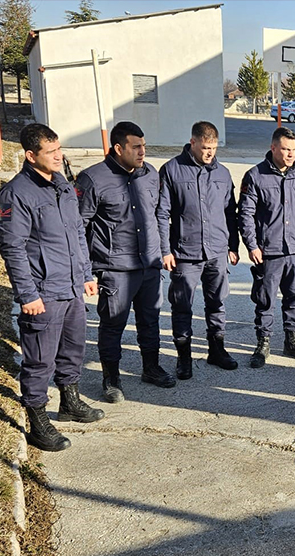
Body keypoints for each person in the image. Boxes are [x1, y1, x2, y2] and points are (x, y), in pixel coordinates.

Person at [0, 123, 104, 452]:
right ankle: (37, 420)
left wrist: (86, 273)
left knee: (73, 350)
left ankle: (70, 402)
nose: (59, 157)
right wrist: (28, 295)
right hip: (43, 291)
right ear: (31, 156)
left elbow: (76, 234)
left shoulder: (61, 184)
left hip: (71, 286)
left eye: (60, 150)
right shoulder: (15, 194)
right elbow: (13, 249)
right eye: (51, 152)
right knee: (40, 359)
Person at [77, 121, 174, 403]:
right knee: (112, 325)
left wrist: (163, 251)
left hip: (149, 265)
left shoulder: (149, 175)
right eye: (136, 147)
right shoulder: (92, 179)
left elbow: (159, 217)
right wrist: (85, 271)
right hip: (115, 269)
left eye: (144, 146)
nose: (143, 151)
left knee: (150, 321)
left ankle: (151, 368)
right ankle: (111, 378)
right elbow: (78, 228)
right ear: (118, 148)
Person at [156, 121, 241, 379]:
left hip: (216, 251)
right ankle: (184, 358)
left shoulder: (223, 173)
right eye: (205, 147)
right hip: (185, 253)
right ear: (192, 143)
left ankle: (217, 350)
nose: (209, 153)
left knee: (217, 304)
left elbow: (230, 212)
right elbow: (162, 213)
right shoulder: (171, 170)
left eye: (213, 148)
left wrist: (233, 245)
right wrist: (165, 250)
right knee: (182, 306)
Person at [239, 126, 295, 368]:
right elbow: (245, 214)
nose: (290, 154)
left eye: (293, 150)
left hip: (294, 249)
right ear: (273, 148)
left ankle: (291, 340)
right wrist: (252, 245)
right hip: (269, 250)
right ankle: (263, 344)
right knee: (266, 300)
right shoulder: (255, 176)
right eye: (285, 149)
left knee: (294, 297)